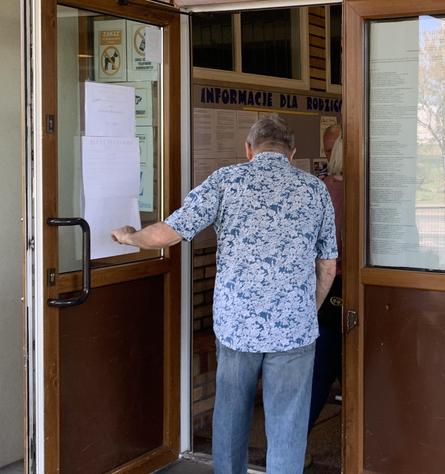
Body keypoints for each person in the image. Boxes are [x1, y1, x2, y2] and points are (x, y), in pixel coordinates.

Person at [111, 115, 338, 474]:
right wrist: (305, 312)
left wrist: (129, 237)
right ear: (292, 153)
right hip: (294, 330)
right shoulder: (315, 190)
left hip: (237, 326)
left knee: (231, 416)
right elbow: (328, 266)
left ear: (248, 149)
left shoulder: (225, 181)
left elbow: (170, 233)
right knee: (288, 427)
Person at [307, 134, 344, 450]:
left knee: (318, 375)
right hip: (358, 285)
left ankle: (292, 450)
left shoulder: (322, 190)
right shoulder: (367, 189)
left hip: (327, 288)